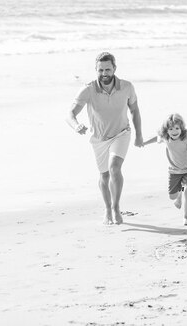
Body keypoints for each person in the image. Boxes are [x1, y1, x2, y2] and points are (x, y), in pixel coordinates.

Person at [66, 52, 144, 225]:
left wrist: (139, 135)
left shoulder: (127, 87)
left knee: (114, 168)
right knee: (104, 175)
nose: (104, 73)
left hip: (121, 133)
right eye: (100, 70)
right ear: (96, 70)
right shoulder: (88, 89)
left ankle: (116, 208)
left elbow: (135, 111)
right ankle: (107, 208)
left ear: (114, 68)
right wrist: (76, 125)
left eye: (108, 69)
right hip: (99, 138)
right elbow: (70, 114)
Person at [143, 113, 187, 225]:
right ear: (166, 130)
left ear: (182, 128)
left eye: (177, 128)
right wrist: (144, 143)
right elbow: (157, 138)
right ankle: (179, 195)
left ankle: (186, 218)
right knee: (172, 196)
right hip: (174, 171)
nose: (174, 131)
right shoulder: (165, 138)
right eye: (170, 129)